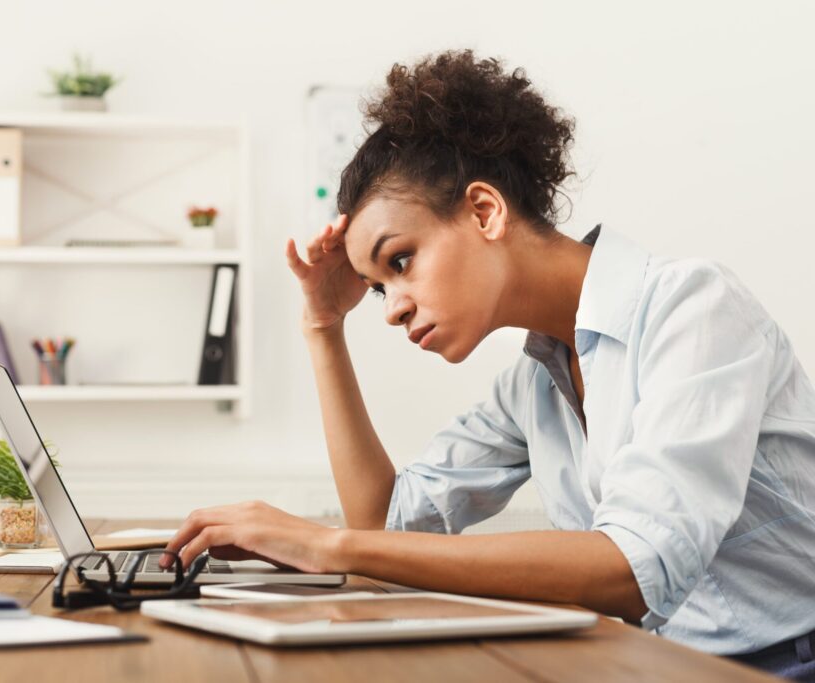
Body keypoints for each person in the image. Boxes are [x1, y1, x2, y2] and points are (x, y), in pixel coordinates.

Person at [161, 50, 815, 679]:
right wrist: (323, 325)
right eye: (380, 288)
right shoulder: (534, 384)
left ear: (484, 210)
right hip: (654, 664)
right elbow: (384, 522)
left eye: (399, 261)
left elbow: (635, 567)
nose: (391, 308)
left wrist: (325, 545)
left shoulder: (694, 308)